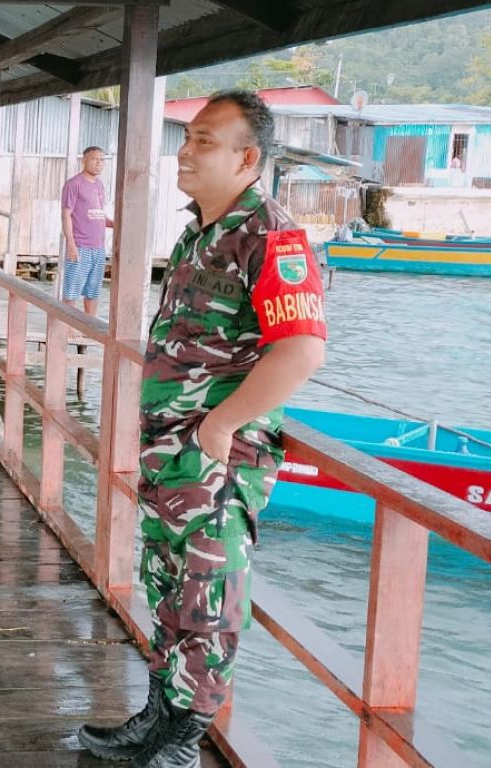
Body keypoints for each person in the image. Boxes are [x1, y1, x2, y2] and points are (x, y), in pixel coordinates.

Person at [77, 90, 327, 768]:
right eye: (187, 137)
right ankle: (157, 718)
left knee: (208, 603)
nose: (186, 151)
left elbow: (301, 351)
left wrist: (222, 425)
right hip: (171, 455)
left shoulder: (272, 237)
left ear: (249, 158)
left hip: (218, 461)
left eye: (205, 141)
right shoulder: (202, 230)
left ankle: (183, 744)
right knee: (168, 591)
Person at [61, 146, 115, 317]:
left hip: (98, 248)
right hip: (80, 246)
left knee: (93, 291)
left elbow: (97, 214)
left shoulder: (99, 185)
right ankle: (68, 328)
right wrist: (71, 243)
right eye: (94, 159)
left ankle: (89, 329)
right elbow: (66, 215)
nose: (99, 163)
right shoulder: (74, 184)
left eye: (102, 160)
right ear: (84, 160)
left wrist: (116, 224)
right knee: (72, 291)